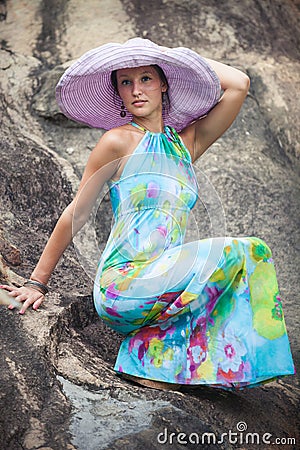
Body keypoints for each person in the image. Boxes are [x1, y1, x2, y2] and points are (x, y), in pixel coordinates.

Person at [1, 38, 295, 391]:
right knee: (239, 249)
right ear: (118, 93)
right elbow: (76, 214)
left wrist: (174, 58)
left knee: (253, 254)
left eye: (146, 79)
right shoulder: (117, 142)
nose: (136, 90)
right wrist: (37, 282)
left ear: (164, 83)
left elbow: (239, 84)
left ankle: (151, 359)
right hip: (124, 285)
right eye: (126, 82)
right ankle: (147, 355)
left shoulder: (184, 145)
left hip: (166, 279)